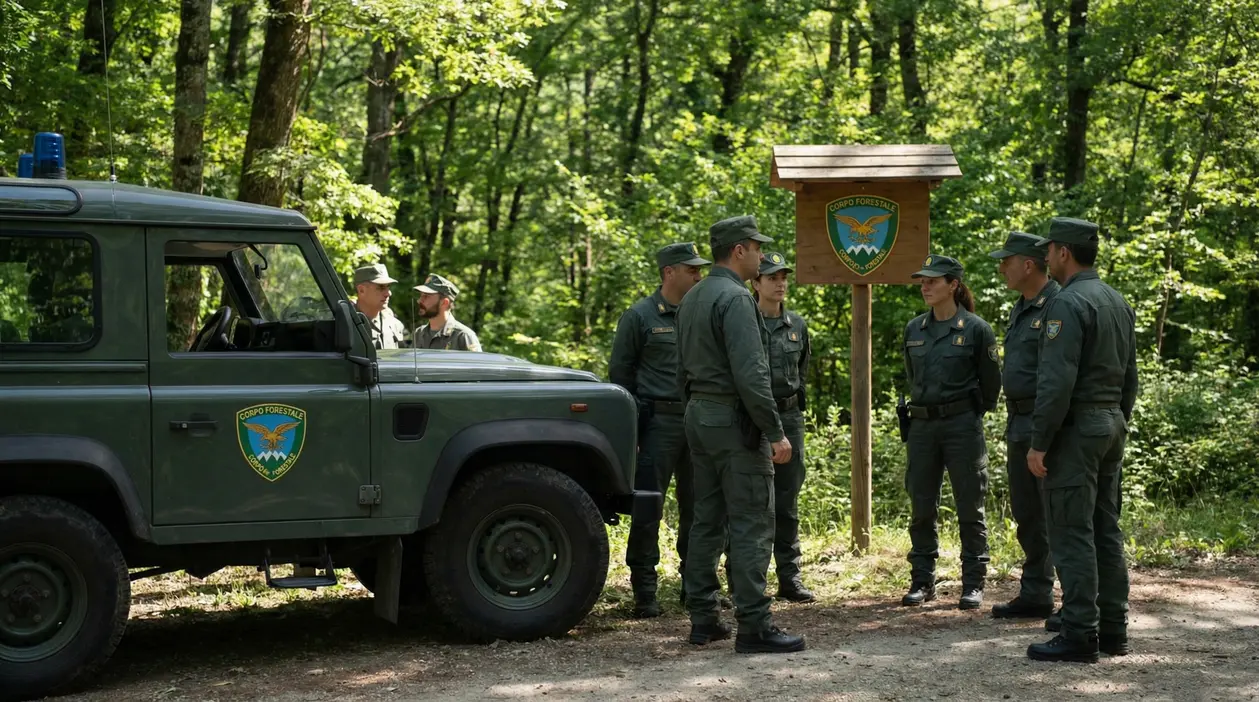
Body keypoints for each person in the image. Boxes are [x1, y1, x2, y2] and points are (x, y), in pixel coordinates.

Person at [675, 214, 805, 654]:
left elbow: (682, 369)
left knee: (706, 519)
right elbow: (752, 374)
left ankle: (703, 619)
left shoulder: (692, 296)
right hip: (733, 421)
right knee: (752, 520)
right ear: (738, 251)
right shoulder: (734, 298)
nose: (762, 256)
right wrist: (775, 431)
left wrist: (695, 412)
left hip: (698, 415)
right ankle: (754, 625)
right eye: (756, 248)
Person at [1025, 217, 1138, 663]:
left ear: (1064, 253)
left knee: (1071, 532)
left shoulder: (1068, 304)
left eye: (1050, 250)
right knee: (1106, 528)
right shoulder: (1116, 300)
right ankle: (1113, 629)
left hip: (1076, 430)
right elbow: (1130, 376)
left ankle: (1078, 634)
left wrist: (1039, 441)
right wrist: (1115, 420)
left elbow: (1056, 381)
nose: (1046, 257)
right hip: (1109, 424)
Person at [609, 241, 712, 618]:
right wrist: (633, 433)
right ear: (669, 272)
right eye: (692, 270)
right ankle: (645, 591)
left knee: (699, 507)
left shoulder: (700, 314)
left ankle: (696, 586)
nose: (700, 275)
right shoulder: (639, 316)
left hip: (696, 421)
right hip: (657, 425)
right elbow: (620, 380)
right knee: (648, 507)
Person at [900, 254, 1000, 610]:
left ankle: (973, 582)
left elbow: (991, 388)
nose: (924, 286)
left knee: (970, 506)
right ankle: (922, 580)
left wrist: (965, 414)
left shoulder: (975, 329)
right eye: (922, 280)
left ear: (953, 285)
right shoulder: (914, 329)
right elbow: (913, 377)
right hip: (923, 426)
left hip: (961, 426)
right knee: (922, 505)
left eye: (932, 280)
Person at [988, 232, 1061, 621]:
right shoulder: (1021, 306)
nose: (1002, 267)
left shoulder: (1057, 304)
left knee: (1056, 513)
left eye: (1007, 260)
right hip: (1018, 420)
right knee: (1028, 512)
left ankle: (1079, 604)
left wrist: (1045, 433)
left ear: (1028, 264)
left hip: (1043, 421)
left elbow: (1057, 376)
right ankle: (1035, 592)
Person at [750, 251, 815, 603]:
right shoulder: (745, 322)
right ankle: (746, 578)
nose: (780, 283)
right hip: (754, 418)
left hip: (789, 417)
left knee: (788, 500)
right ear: (755, 283)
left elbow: (802, 373)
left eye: (783, 277)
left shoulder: (797, 326)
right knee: (752, 501)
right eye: (772, 277)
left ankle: (789, 577)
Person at [413, 273, 482, 351]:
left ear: (445, 302)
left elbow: (477, 363)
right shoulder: (418, 334)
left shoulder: (463, 336)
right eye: (421, 296)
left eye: (426, 296)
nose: (419, 301)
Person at [351, 263, 407, 349]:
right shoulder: (346, 325)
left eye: (388, 287)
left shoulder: (395, 325)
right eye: (381, 287)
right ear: (361, 290)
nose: (388, 293)